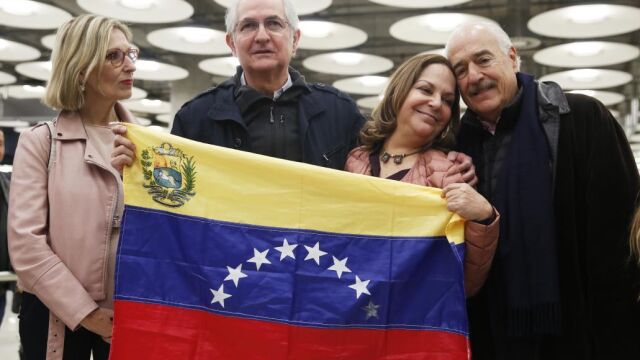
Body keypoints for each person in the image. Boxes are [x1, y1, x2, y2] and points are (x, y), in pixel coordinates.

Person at [111, 0, 475, 183]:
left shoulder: (339, 111)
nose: (262, 35)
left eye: (274, 23)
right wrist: (140, 164)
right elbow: (172, 193)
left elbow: (388, 155)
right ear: (231, 43)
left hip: (317, 279)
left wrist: (448, 161)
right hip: (229, 284)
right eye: (248, 26)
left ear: (295, 39)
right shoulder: (195, 118)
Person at [445, 21, 640, 359]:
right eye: (460, 69)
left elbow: (622, 240)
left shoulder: (580, 119)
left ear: (512, 57)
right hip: (490, 336)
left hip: (579, 334)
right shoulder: (454, 150)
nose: (474, 76)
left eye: (484, 59)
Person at [8, 14, 138, 359]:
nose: (130, 66)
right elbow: (26, 247)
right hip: (58, 319)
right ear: (81, 69)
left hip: (131, 318)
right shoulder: (41, 143)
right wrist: (91, 316)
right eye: (114, 56)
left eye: (131, 54)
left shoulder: (147, 147)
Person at [345, 53, 499, 296]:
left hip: (413, 315)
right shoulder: (355, 159)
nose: (437, 103)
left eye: (447, 100)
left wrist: (484, 219)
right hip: (352, 304)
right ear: (400, 91)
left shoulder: (448, 173)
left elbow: (467, 282)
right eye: (426, 90)